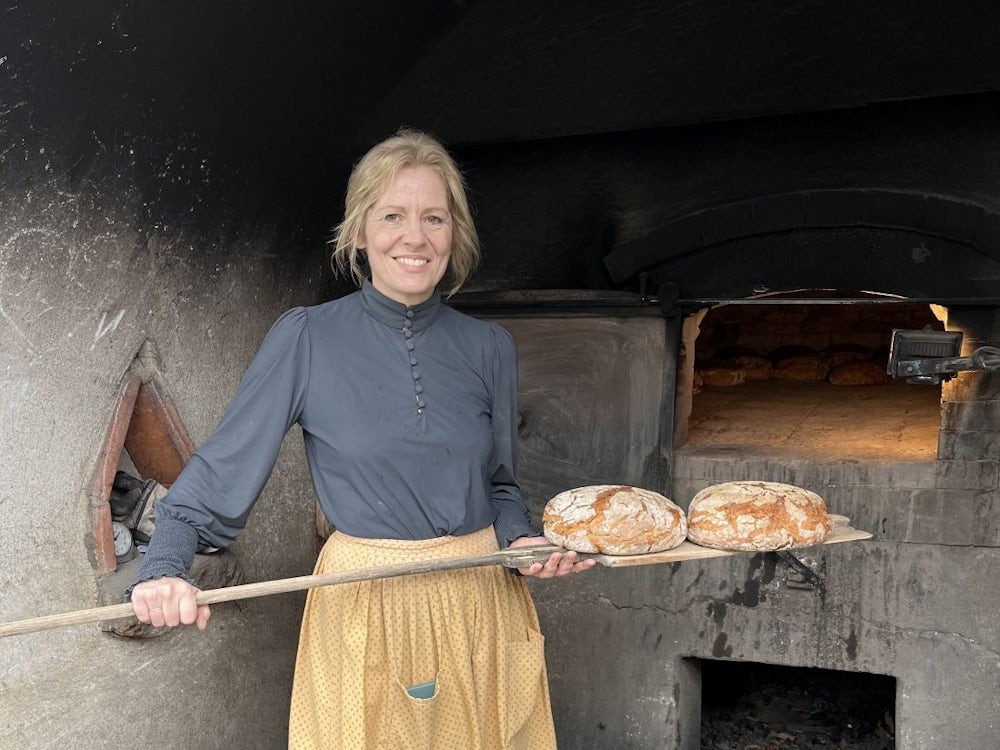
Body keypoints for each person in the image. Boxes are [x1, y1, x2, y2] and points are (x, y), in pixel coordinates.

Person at [129, 128, 595, 749]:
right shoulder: (307, 339)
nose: (415, 237)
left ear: (453, 234)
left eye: (435, 217)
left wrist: (521, 541)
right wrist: (162, 571)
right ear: (358, 232)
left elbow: (501, 486)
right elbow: (208, 485)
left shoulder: (490, 348)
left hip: (481, 599)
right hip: (368, 605)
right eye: (393, 215)